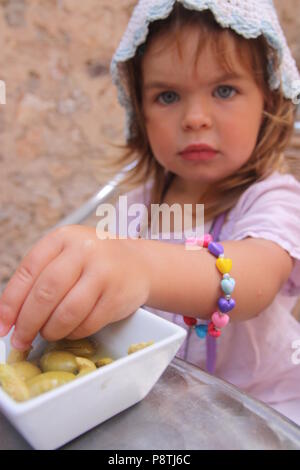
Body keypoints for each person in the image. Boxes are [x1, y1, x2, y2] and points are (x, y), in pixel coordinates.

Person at [1, 0, 300, 425]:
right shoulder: (136, 209)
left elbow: (256, 282)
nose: (195, 118)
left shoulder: (274, 198)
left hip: (262, 411)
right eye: (168, 95)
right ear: (140, 113)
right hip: (160, 409)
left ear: (267, 99)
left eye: (224, 90)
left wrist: (137, 263)